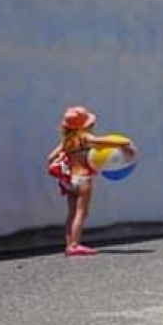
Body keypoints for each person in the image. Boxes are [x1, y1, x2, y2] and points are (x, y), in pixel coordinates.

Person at [46, 105, 132, 257]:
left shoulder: (67, 141)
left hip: (69, 179)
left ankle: (69, 244)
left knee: (71, 213)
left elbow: (50, 157)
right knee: (82, 212)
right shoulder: (84, 137)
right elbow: (101, 141)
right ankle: (75, 244)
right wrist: (123, 143)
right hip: (83, 178)